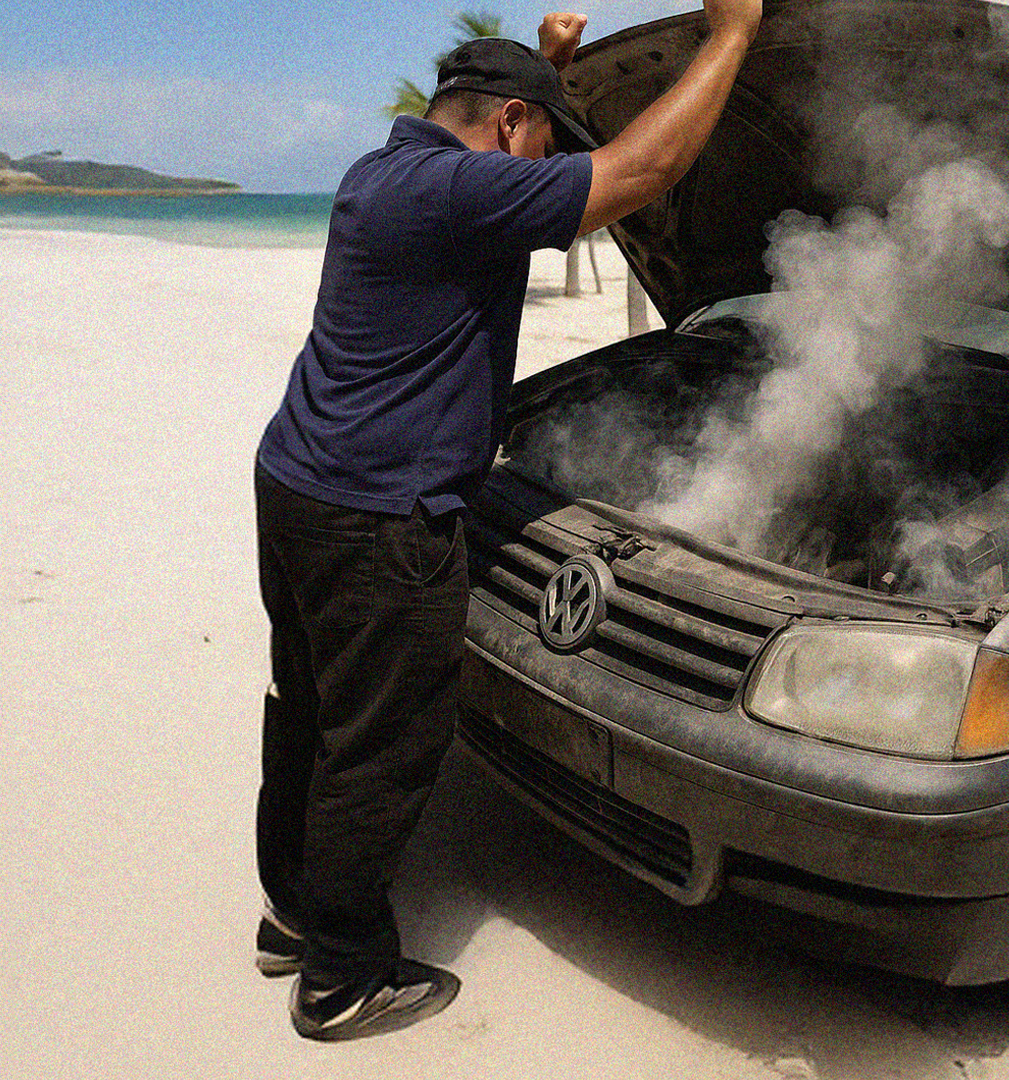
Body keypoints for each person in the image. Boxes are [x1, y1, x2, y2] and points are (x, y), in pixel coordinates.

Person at [251, 0, 763, 1042]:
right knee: (381, 744)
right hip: (380, 516)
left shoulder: (385, 172)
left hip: (299, 484)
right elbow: (639, 173)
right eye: (541, 141)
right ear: (508, 127)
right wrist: (732, 37)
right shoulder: (453, 191)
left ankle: (293, 914)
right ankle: (342, 974)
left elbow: (515, 142)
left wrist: (545, 71)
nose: (545, 168)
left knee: (308, 708)